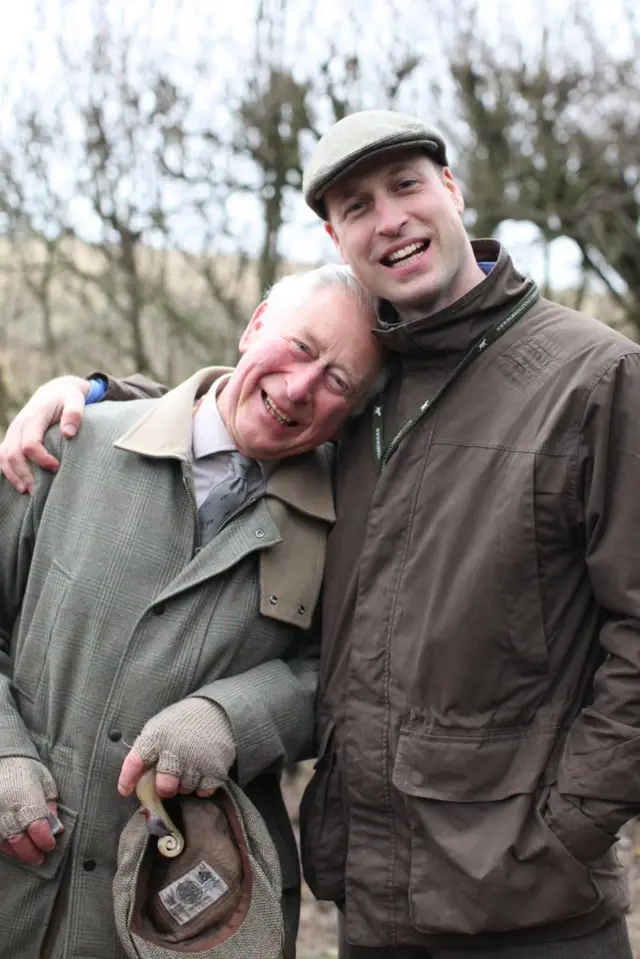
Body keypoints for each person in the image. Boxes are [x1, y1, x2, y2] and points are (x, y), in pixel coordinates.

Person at [3, 110, 640, 959]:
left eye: (408, 185)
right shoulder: (87, 452)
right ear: (330, 244)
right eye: (356, 205)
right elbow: (225, 421)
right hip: (368, 898)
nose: (390, 218)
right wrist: (85, 392)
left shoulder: (590, 380)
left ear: (453, 189)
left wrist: (568, 829)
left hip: (527, 903)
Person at [0, 263, 384, 959]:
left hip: (185, 912)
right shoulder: (70, 445)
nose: (299, 388)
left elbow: (350, 676)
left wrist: (235, 715)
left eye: (337, 382)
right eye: (300, 347)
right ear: (255, 325)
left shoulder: (349, 525)